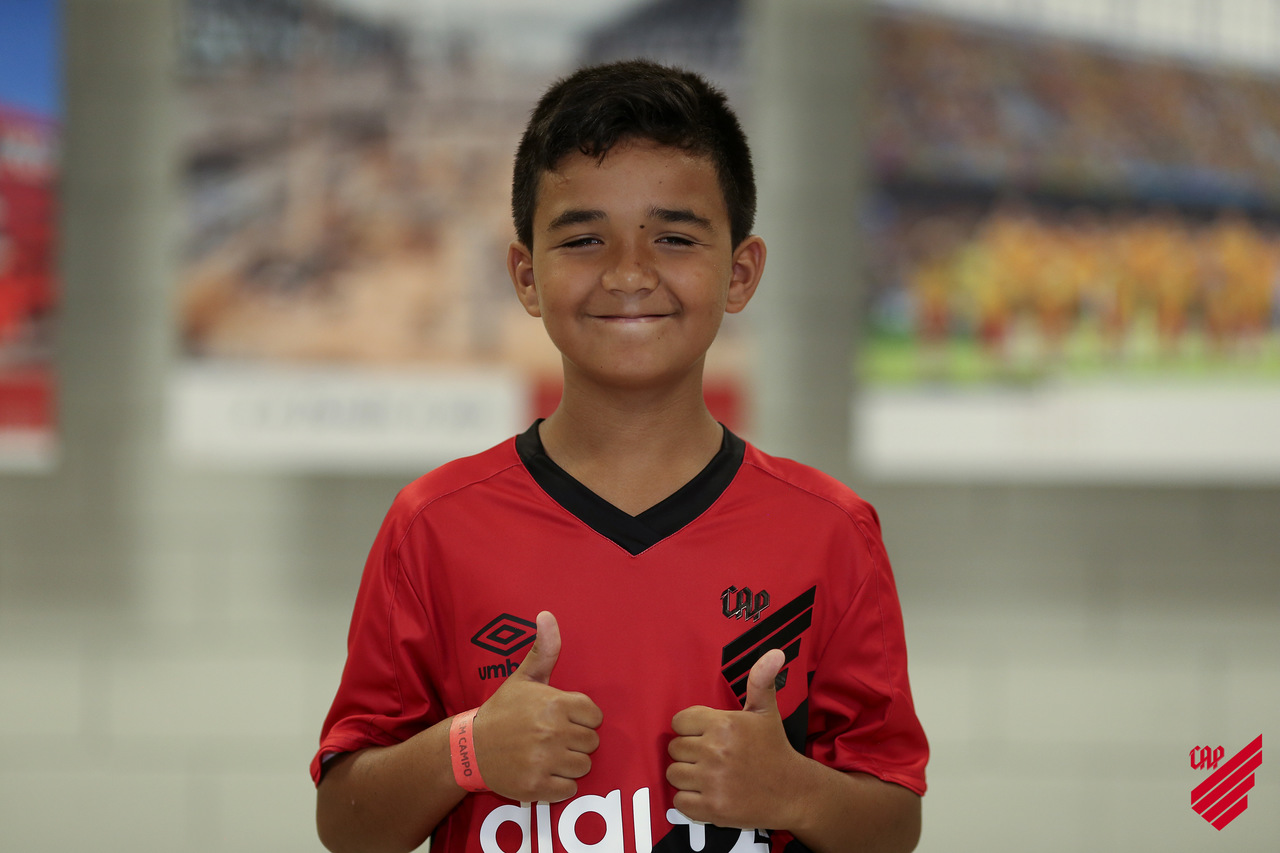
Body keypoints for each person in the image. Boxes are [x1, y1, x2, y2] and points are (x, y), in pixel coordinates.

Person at [313, 59, 928, 853]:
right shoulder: (432, 525)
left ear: (740, 272)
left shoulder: (831, 532)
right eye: (583, 239)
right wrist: (466, 750)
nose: (629, 273)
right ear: (525, 275)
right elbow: (347, 825)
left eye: (674, 237)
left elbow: (895, 824)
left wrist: (795, 791)